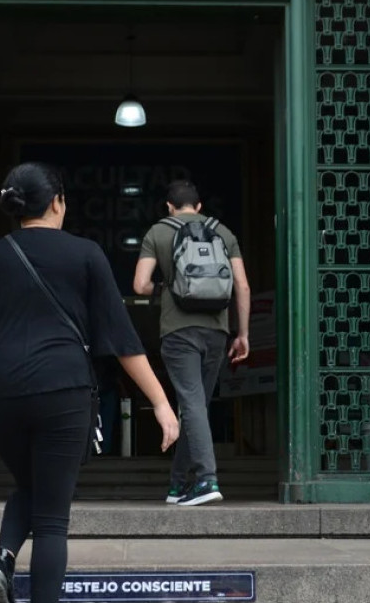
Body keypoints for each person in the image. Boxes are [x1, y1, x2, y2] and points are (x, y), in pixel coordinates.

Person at [0, 162, 180, 603]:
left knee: (32, 487)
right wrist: (162, 403)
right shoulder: (86, 254)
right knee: (52, 518)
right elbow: (122, 340)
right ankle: (15, 573)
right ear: (57, 202)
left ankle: (3, 560)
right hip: (62, 391)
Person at [132, 180, 250, 506]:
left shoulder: (158, 232)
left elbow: (139, 285)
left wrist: (167, 290)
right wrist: (243, 334)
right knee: (197, 404)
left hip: (178, 331)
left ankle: (206, 480)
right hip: (217, 330)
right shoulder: (223, 232)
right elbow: (242, 286)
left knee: (191, 404)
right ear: (198, 206)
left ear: (169, 206)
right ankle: (178, 485)